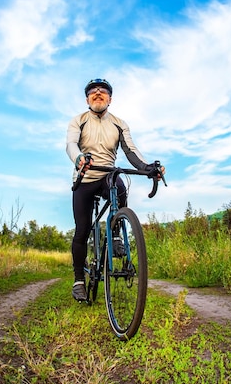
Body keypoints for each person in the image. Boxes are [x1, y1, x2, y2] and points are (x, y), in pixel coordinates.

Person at [66, 78, 165, 301]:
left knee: (119, 184)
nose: (98, 93)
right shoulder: (78, 121)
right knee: (82, 230)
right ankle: (79, 280)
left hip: (107, 175)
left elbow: (130, 151)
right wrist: (79, 158)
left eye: (103, 91)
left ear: (110, 99)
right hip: (84, 177)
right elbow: (71, 144)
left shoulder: (119, 123)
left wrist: (148, 168)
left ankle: (117, 234)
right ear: (87, 99)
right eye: (93, 91)